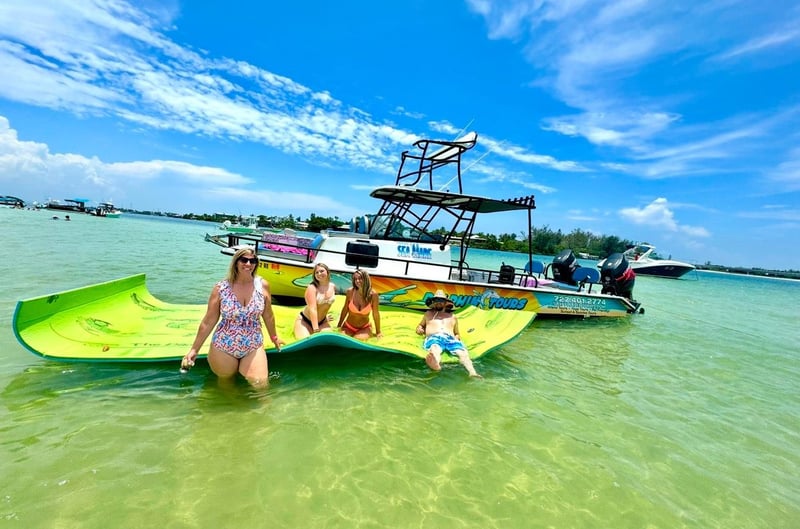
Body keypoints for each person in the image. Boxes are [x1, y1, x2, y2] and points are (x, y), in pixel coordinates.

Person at [181, 247, 284, 386]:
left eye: (252, 261)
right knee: (227, 386)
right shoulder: (221, 288)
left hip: (253, 344)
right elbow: (208, 321)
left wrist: (274, 337)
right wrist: (194, 349)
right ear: (236, 262)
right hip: (223, 345)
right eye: (244, 260)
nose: (248, 264)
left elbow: (268, 315)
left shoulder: (262, 285)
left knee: (261, 385)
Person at [416, 290, 481, 377]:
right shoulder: (428, 314)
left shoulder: (452, 317)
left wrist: (457, 338)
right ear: (433, 302)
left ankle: (472, 373)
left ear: (446, 303)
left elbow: (457, 333)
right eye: (436, 300)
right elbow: (420, 326)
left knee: (462, 352)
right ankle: (436, 364)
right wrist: (419, 329)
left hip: (450, 339)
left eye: (441, 300)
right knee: (435, 348)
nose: (438, 302)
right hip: (435, 337)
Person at [294, 262, 337, 338]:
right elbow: (313, 309)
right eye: (316, 272)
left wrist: (324, 316)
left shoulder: (332, 286)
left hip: (322, 321)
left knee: (327, 342)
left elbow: (326, 305)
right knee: (306, 343)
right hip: (305, 321)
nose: (319, 274)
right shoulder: (312, 288)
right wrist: (316, 330)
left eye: (321, 271)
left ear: (327, 271)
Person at [337, 269, 382, 340]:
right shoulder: (350, 292)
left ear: (366, 279)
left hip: (364, 327)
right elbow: (345, 309)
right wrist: (339, 325)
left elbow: (375, 314)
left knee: (357, 340)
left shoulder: (373, 295)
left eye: (360, 278)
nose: (357, 281)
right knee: (342, 339)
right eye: (355, 279)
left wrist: (378, 332)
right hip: (348, 326)